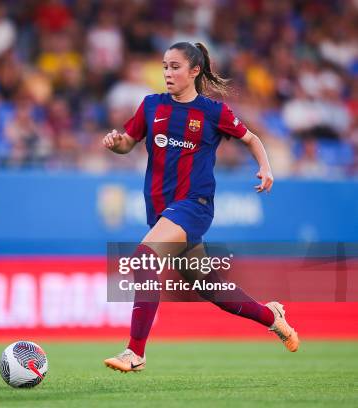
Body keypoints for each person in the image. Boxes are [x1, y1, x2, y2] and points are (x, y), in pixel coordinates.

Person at [102, 42, 299, 372]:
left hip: (194, 205)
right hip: (162, 211)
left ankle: (135, 352)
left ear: (194, 71)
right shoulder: (151, 106)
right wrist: (115, 143)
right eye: (165, 66)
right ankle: (272, 317)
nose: (167, 73)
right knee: (210, 288)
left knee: (144, 258)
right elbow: (128, 142)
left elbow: (251, 138)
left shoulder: (213, 112)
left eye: (175, 67)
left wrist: (265, 166)